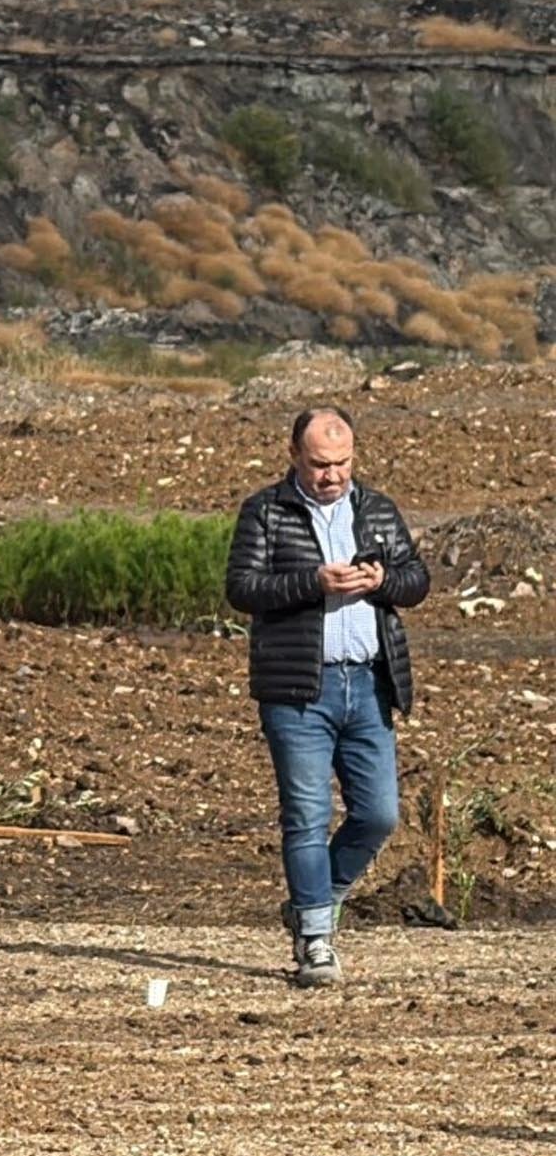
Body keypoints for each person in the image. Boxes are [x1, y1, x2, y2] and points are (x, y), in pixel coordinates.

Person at [224, 407, 431, 987]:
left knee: (378, 813)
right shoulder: (265, 512)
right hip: (297, 689)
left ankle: (315, 900)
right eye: (319, 464)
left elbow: (416, 581)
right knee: (307, 816)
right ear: (294, 456)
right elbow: (242, 588)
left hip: (368, 683)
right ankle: (316, 939)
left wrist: (381, 581)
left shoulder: (379, 510)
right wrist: (312, 582)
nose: (331, 476)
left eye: (341, 463)